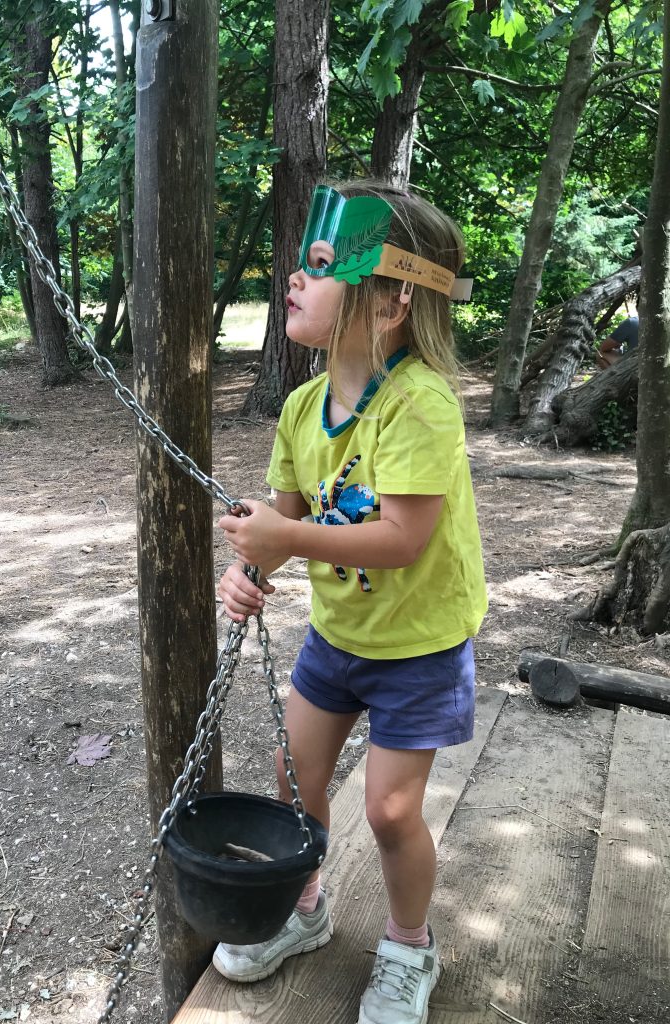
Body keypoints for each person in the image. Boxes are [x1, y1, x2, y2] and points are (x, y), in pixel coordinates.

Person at [214, 180, 487, 1024]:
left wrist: (287, 541)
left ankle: (410, 947)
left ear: (393, 299)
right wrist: (250, 569)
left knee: (391, 809)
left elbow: (402, 540)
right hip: (338, 637)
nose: (294, 276)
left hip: (421, 644)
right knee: (295, 781)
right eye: (302, 262)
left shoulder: (420, 406)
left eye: (322, 264)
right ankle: (304, 911)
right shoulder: (301, 407)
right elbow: (286, 518)